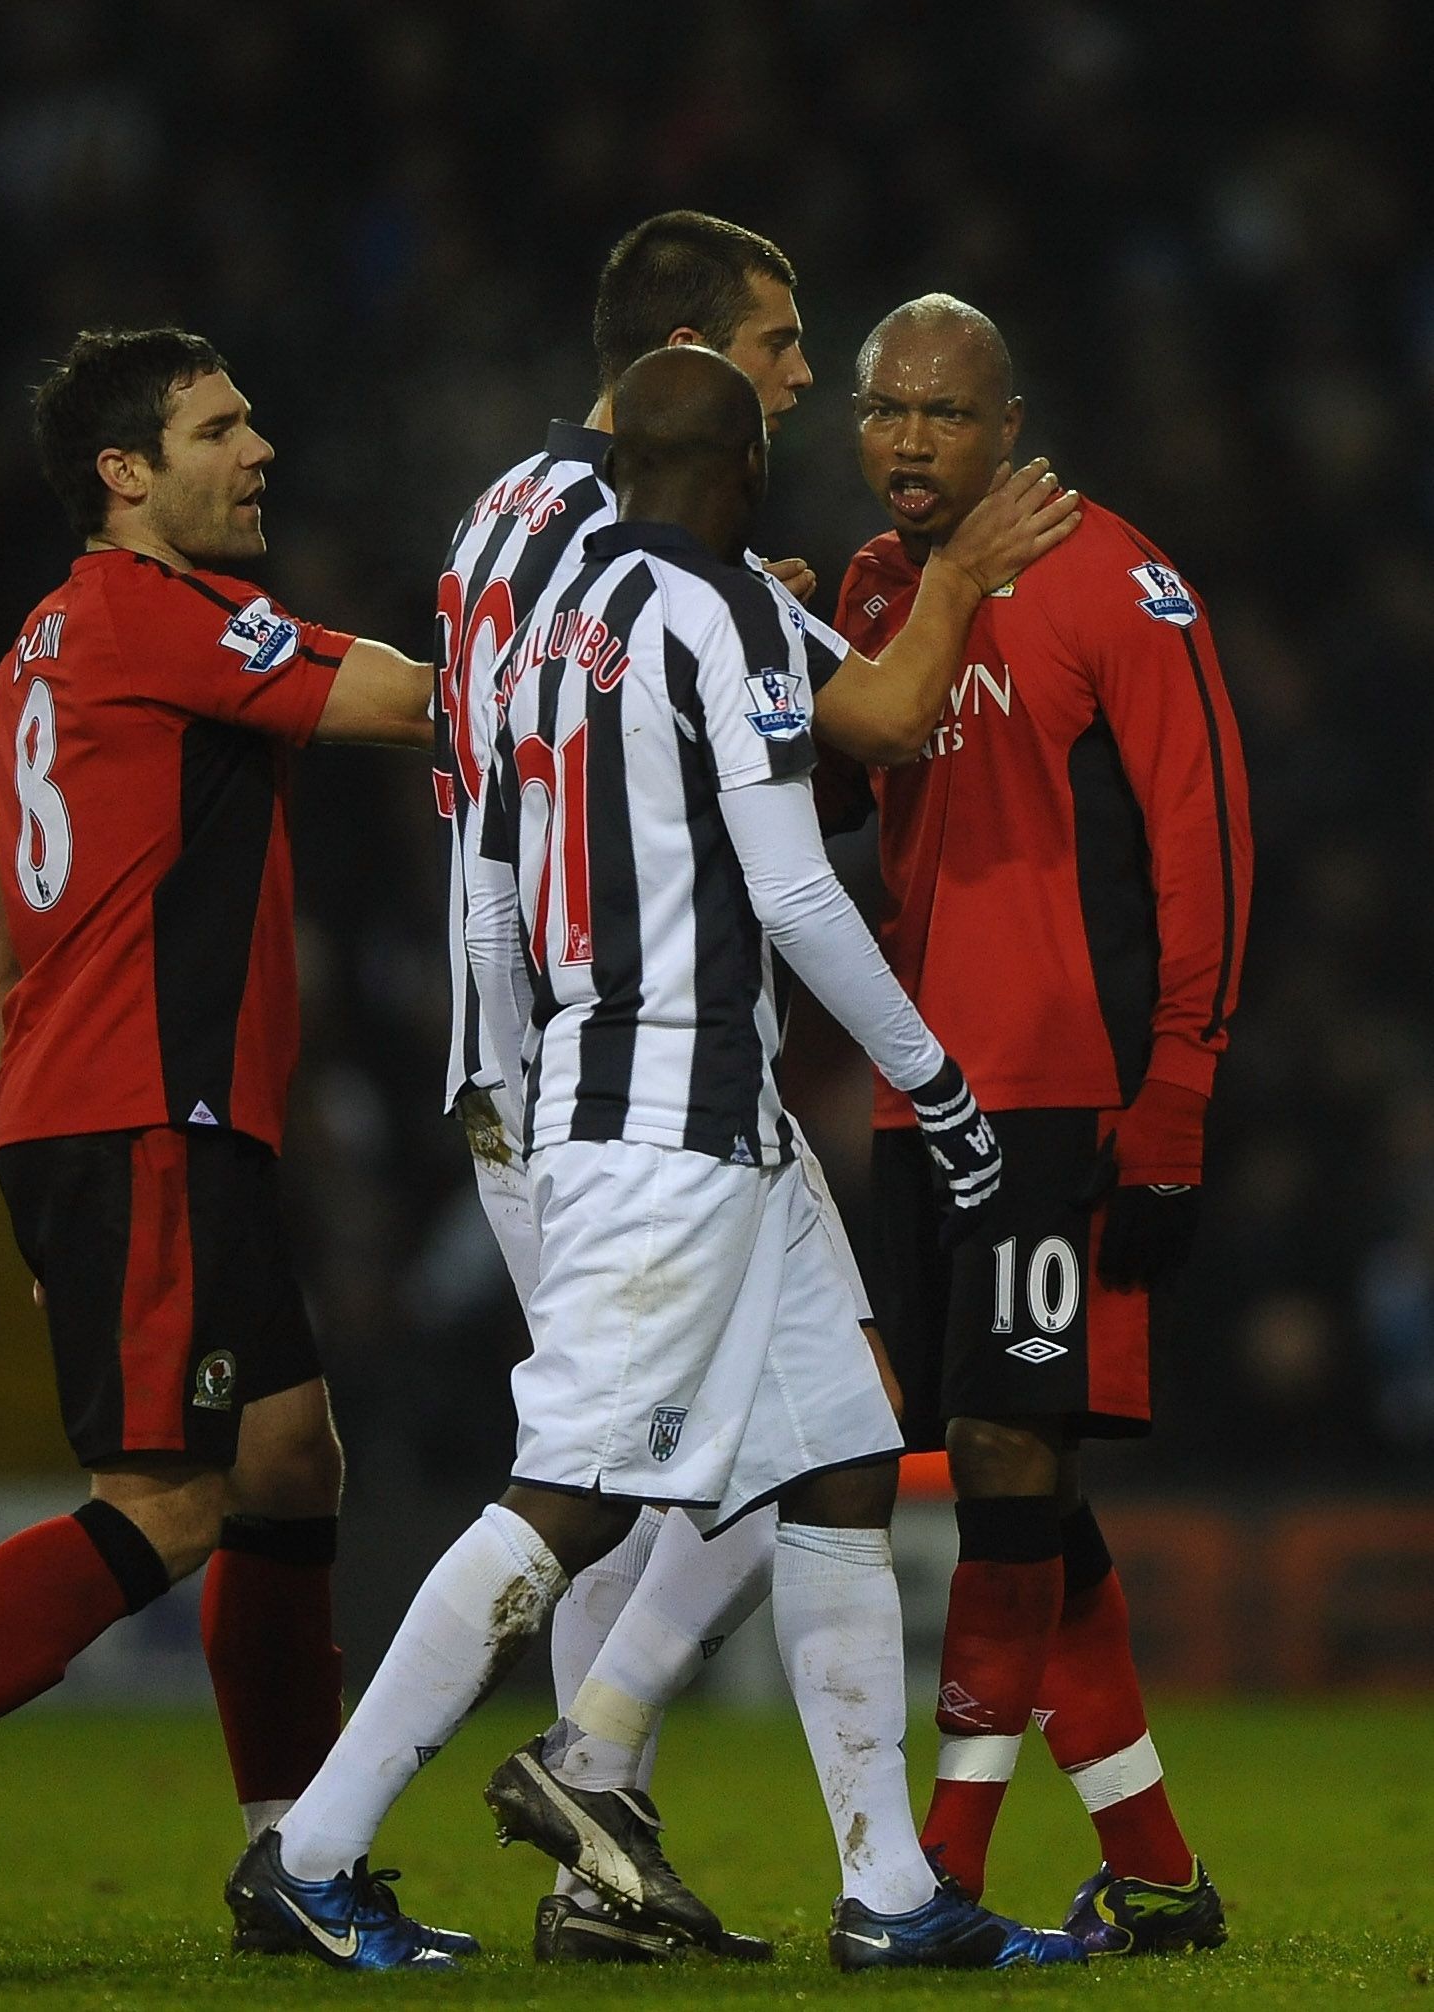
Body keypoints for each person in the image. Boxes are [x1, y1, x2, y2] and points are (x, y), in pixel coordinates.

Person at [223, 344, 1084, 1974]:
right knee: (562, 1499)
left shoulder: (545, 620)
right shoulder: (731, 613)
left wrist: (497, 1061)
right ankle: (316, 1848)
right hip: (669, 1125)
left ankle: (888, 1893)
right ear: (744, 468)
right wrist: (942, 1091)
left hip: (649, 1106)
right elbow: (797, 893)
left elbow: (487, 864)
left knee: (840, 1449)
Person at [0, 327, 445, 1967]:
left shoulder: (37, 650)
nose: (258, 449)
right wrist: (632, 635)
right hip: (148, 1120)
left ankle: (290, 1862)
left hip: (102, 1115)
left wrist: (32, 1124)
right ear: (127, 475)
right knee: (171, 1502)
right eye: (218, 426)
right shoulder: (163, 613)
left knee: (285, 1463)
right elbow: (409, 705)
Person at [434, 210, 1076, 1965]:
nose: (813, 389)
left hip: (560, 1059)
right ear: (703, 370)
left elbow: (492, 797)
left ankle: (847, 1893)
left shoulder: (513, 515)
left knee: (833, 1451)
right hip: (647, 1073)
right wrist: (926, 596)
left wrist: (485, 1045)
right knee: (615, 1486)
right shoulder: (646, 555)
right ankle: (424, 1820)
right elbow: (851, 772)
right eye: (786, 352)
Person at [823, 294, 1252, 1955]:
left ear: (1008, 426)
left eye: (944, 413)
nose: (911, 442)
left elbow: (1201, 848)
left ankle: (937, 1879)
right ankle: (1152, 1875)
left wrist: (1175, 1105)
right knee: (1023, 1477)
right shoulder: (879, 587)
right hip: (915, 1092)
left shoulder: (1115, 580)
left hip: (1063, 1095)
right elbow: (851, 800)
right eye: (884, 411)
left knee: (1007, 1456)